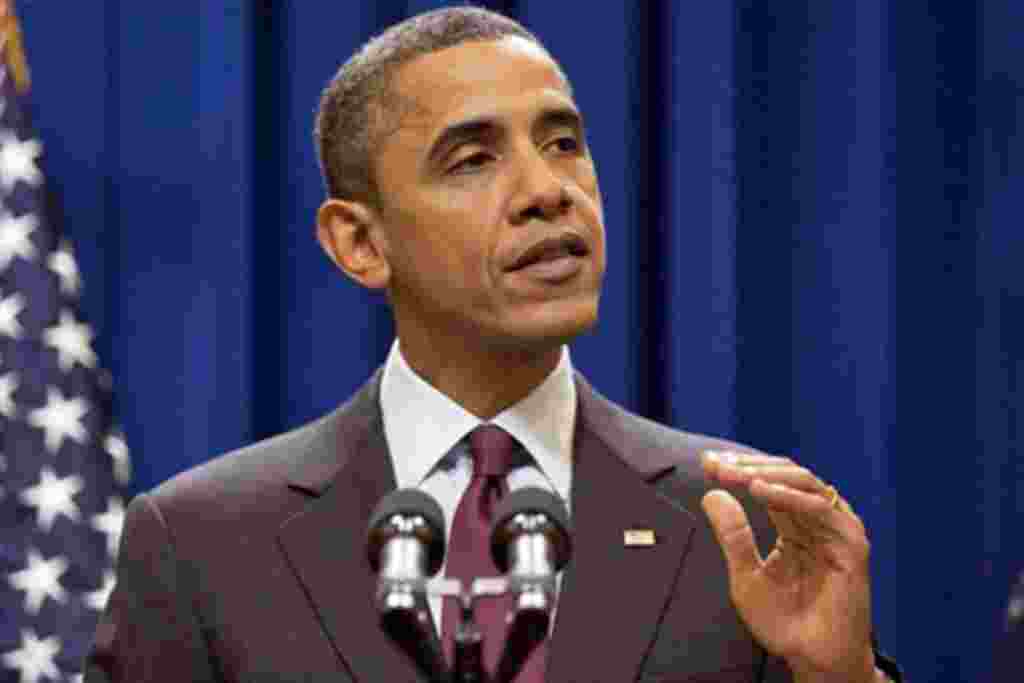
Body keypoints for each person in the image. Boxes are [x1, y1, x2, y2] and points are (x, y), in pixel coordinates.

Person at [85, 7, 900, 682]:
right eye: (473, 160)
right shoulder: (201, 545)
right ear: (360, 243)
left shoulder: (737, 525)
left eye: (563, 144)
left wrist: (844, 678)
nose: (550, 192)